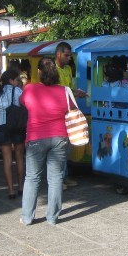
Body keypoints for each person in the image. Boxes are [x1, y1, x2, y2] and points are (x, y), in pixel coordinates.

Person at [20, 57, 71, 225]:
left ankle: (27, 217)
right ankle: (52, 217)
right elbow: (71, 110)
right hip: (59, 137)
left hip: (36, 138)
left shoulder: (29, 90)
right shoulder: (64, 90)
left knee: (32, 177)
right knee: (56, 178)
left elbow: (22, 104)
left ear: (39, 72)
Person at [0, 69, 25, 199]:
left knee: (7, 160)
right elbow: (25, 106)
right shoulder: (18, 91)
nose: (17, 82)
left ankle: (10, 191)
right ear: (11, 80)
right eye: (16, 80)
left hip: (2, 126)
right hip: (17, 127)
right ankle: (21, 188)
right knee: (19, 158)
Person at [55, 42, 85, 189]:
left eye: (70, 55)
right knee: (58, 147)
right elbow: (56, 91)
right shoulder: (51, 69)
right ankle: (58, 179)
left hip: (68, 112)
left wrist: (76, 92)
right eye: (66, 55)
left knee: (66, 145)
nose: (69, 58)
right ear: (58, 54)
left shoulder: (67, 69)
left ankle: (64, 176)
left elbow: (68, 89)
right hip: (56, 113)